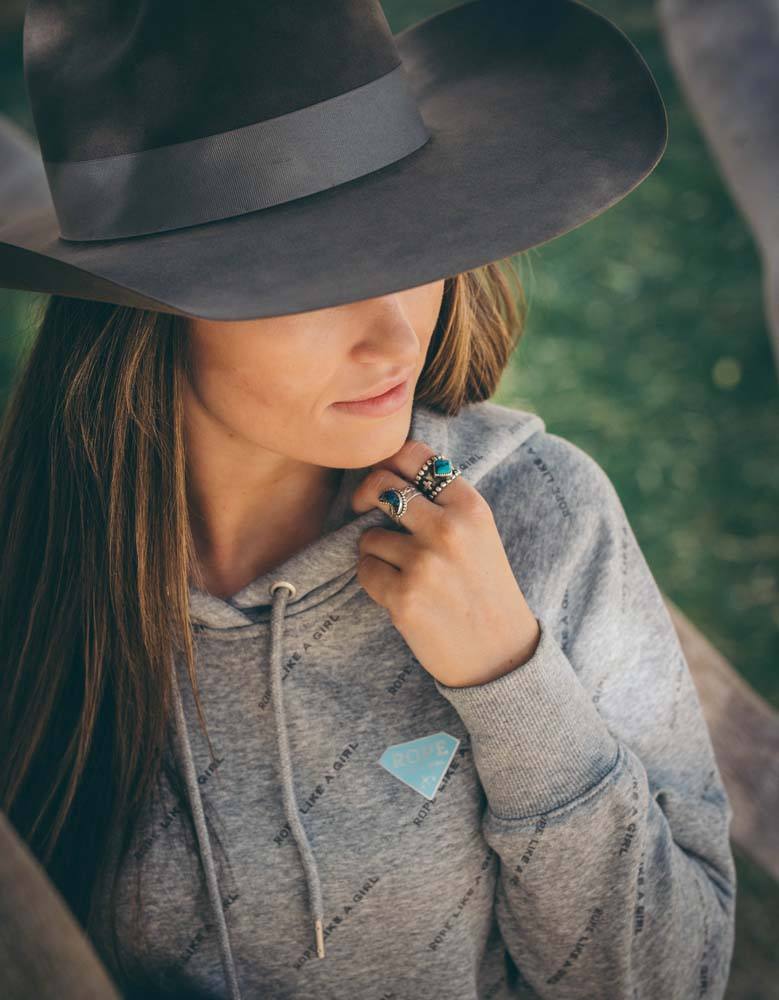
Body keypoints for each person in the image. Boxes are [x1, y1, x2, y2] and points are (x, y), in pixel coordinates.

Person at [0, 2, 736, 998]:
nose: (395, 339)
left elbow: (670, 977)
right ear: (149, 313)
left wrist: (507, 678)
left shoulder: (541, 519)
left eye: (410, 248)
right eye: (314, 278)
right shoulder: (31, 564)